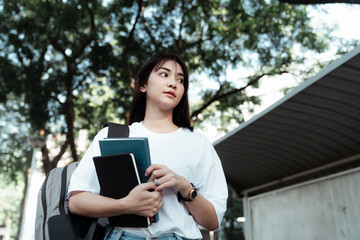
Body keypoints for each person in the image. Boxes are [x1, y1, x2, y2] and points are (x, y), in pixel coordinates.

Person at [68, 52, 228, 240]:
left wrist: (185, 187)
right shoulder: (112, 137)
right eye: (164, 74)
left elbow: (212, 221)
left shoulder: (198, 143)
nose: (173, 83)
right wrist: (126, 204)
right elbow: (77, 202)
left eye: (180, 79)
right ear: (143, 85)